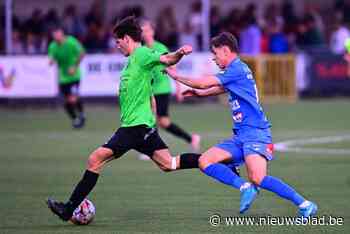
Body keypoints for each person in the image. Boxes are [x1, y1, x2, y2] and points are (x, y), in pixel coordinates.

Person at [46, 16, 203, 222]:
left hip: (134, 128)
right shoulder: (132, 62)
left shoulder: (141, 54)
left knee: (95, 159)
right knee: (169, 164)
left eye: (118, 42)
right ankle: (217, 160)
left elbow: (167, 59)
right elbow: (147, 93)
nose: (117, 46)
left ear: (127, 39)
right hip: (142, 128)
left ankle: (68, 209)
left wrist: (179, 53)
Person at [166, 32, 317, 217]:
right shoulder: (236, 70)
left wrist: (177, 77)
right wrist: (199, 95)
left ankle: (305, 204)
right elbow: (217, 88)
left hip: (255, 133)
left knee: (258, 177)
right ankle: (245, 187)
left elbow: (204, 84)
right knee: (204, 161)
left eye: (215, 53)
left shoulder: (236, 69)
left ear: (225, 50)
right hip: (241, 136)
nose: (214, 58)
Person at [140, 19, 201, 154]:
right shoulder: (142, 50)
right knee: (158, 120)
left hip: (162, 89)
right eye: (143, 31)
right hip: (149, 90)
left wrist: (179, 89)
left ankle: (155, 148)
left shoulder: (160, 48)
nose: (145, 33)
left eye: (147, 30)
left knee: (160, 121)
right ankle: (190, 139)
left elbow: (173, 68)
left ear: (153, 32)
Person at [48, 26, 86, 129]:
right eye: (54, 35)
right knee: (67, 102)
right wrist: (51, 61)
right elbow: (51, 57)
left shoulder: (71, 42)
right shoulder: (53, 46)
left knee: (73, 98)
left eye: (57, 34)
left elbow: (82, 53)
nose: (56, 36)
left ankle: (81, 115)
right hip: (63, 78)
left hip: (74, 76)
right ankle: (75, 119)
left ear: (62, 34)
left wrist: (74, 66)